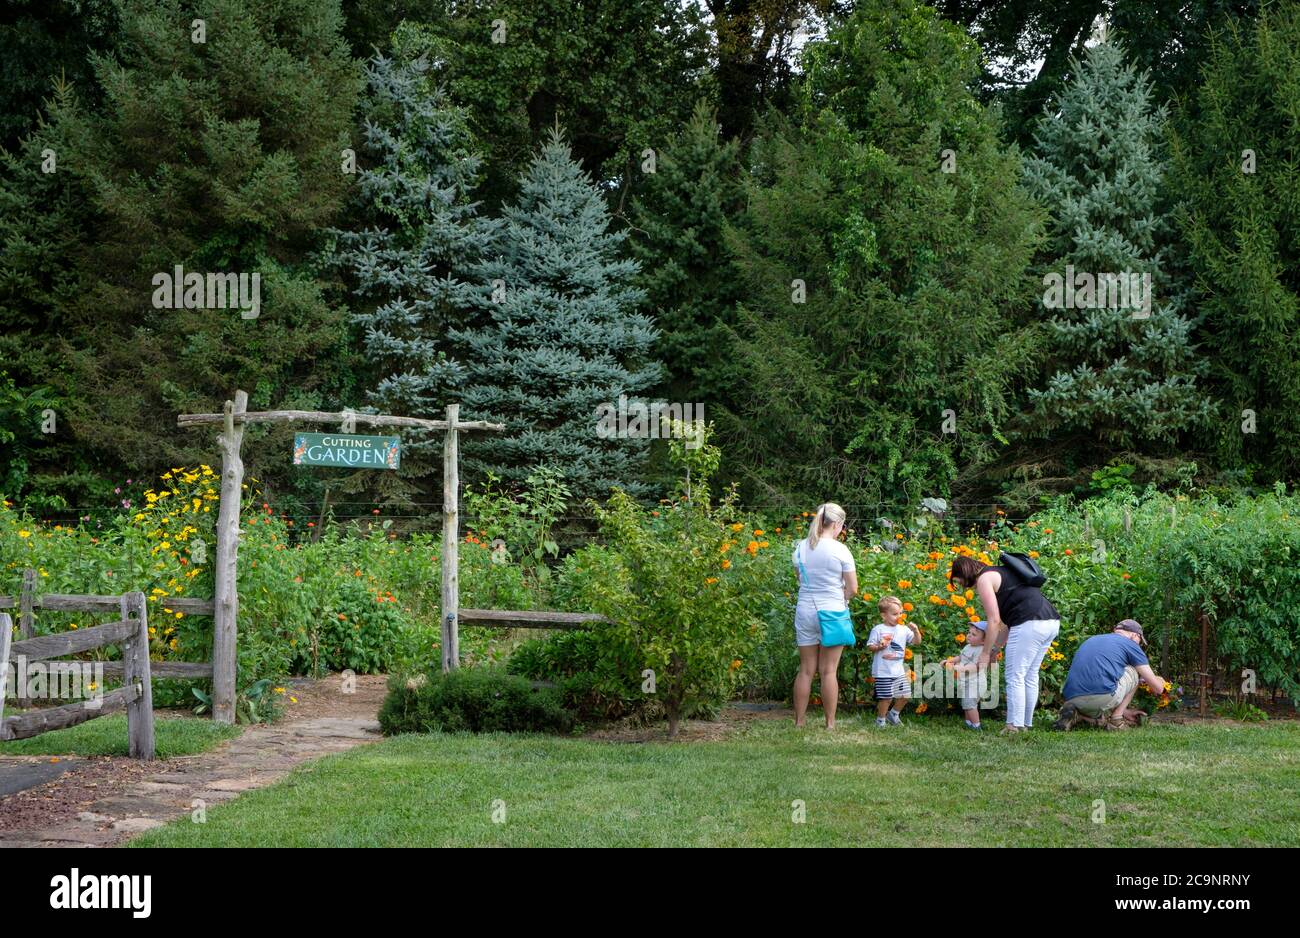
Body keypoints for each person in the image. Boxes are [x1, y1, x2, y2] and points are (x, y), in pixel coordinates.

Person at [949, 555, 1061, 733]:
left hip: (1029, 622)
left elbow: (994, 621)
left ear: (965, 572)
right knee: (1030, 675)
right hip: (1050, 621)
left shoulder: (985, 579)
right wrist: (995, 648)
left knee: (1015, 676)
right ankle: (1024, 724)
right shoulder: (1001, 572)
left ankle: (1013, 727)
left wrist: (985, 654)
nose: (962, 586)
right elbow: (1007, 623)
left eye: (959, 581)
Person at [792, 503, 857, 729]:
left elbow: (800, 578)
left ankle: (799, 722)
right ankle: (830, 723)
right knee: (829, 671)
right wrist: (844, 598)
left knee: (806, 670)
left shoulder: (800, 547)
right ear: (837, 524)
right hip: (833, 612)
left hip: (805, 610)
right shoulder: (840, 550)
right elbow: (853, 588)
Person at [1055, 619, 1167, 730]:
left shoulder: (1092, 639)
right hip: (1100, 697)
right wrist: (1159, 681)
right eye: (1140, 641)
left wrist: (1126, 711)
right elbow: (1158, 689)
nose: (1140, 644)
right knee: (1135, 671)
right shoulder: (1131, 644)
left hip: (1071, 698)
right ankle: (1116, 721)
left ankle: (1077, 716)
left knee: (1101, 706)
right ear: (1135, 635)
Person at [866, 596, 921, 727]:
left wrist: (916, 631)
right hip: (883, 671)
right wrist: (879, 647)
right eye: (895, 614)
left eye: (900, 613)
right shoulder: (878, 629)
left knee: (905, 695)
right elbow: (870, 646)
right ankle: (880, 720)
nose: (899, 616)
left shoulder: (903, 629)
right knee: (886, 698)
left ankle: (893, 714)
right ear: (884, 616)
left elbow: (916, 642)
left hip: (898, 671)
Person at [947, 620, 987, 730]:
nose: (969, 635)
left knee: (969, 704)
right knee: (966, 704)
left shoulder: (981, 650)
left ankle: (976, 725)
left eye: (974, 634)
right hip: (967, 683)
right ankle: (968, 723)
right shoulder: (968, 647)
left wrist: (962, 668)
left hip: (975, 684)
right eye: (969, 632)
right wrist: (949, 661)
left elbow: (976, 667)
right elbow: (960, 657)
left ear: (984, 641)